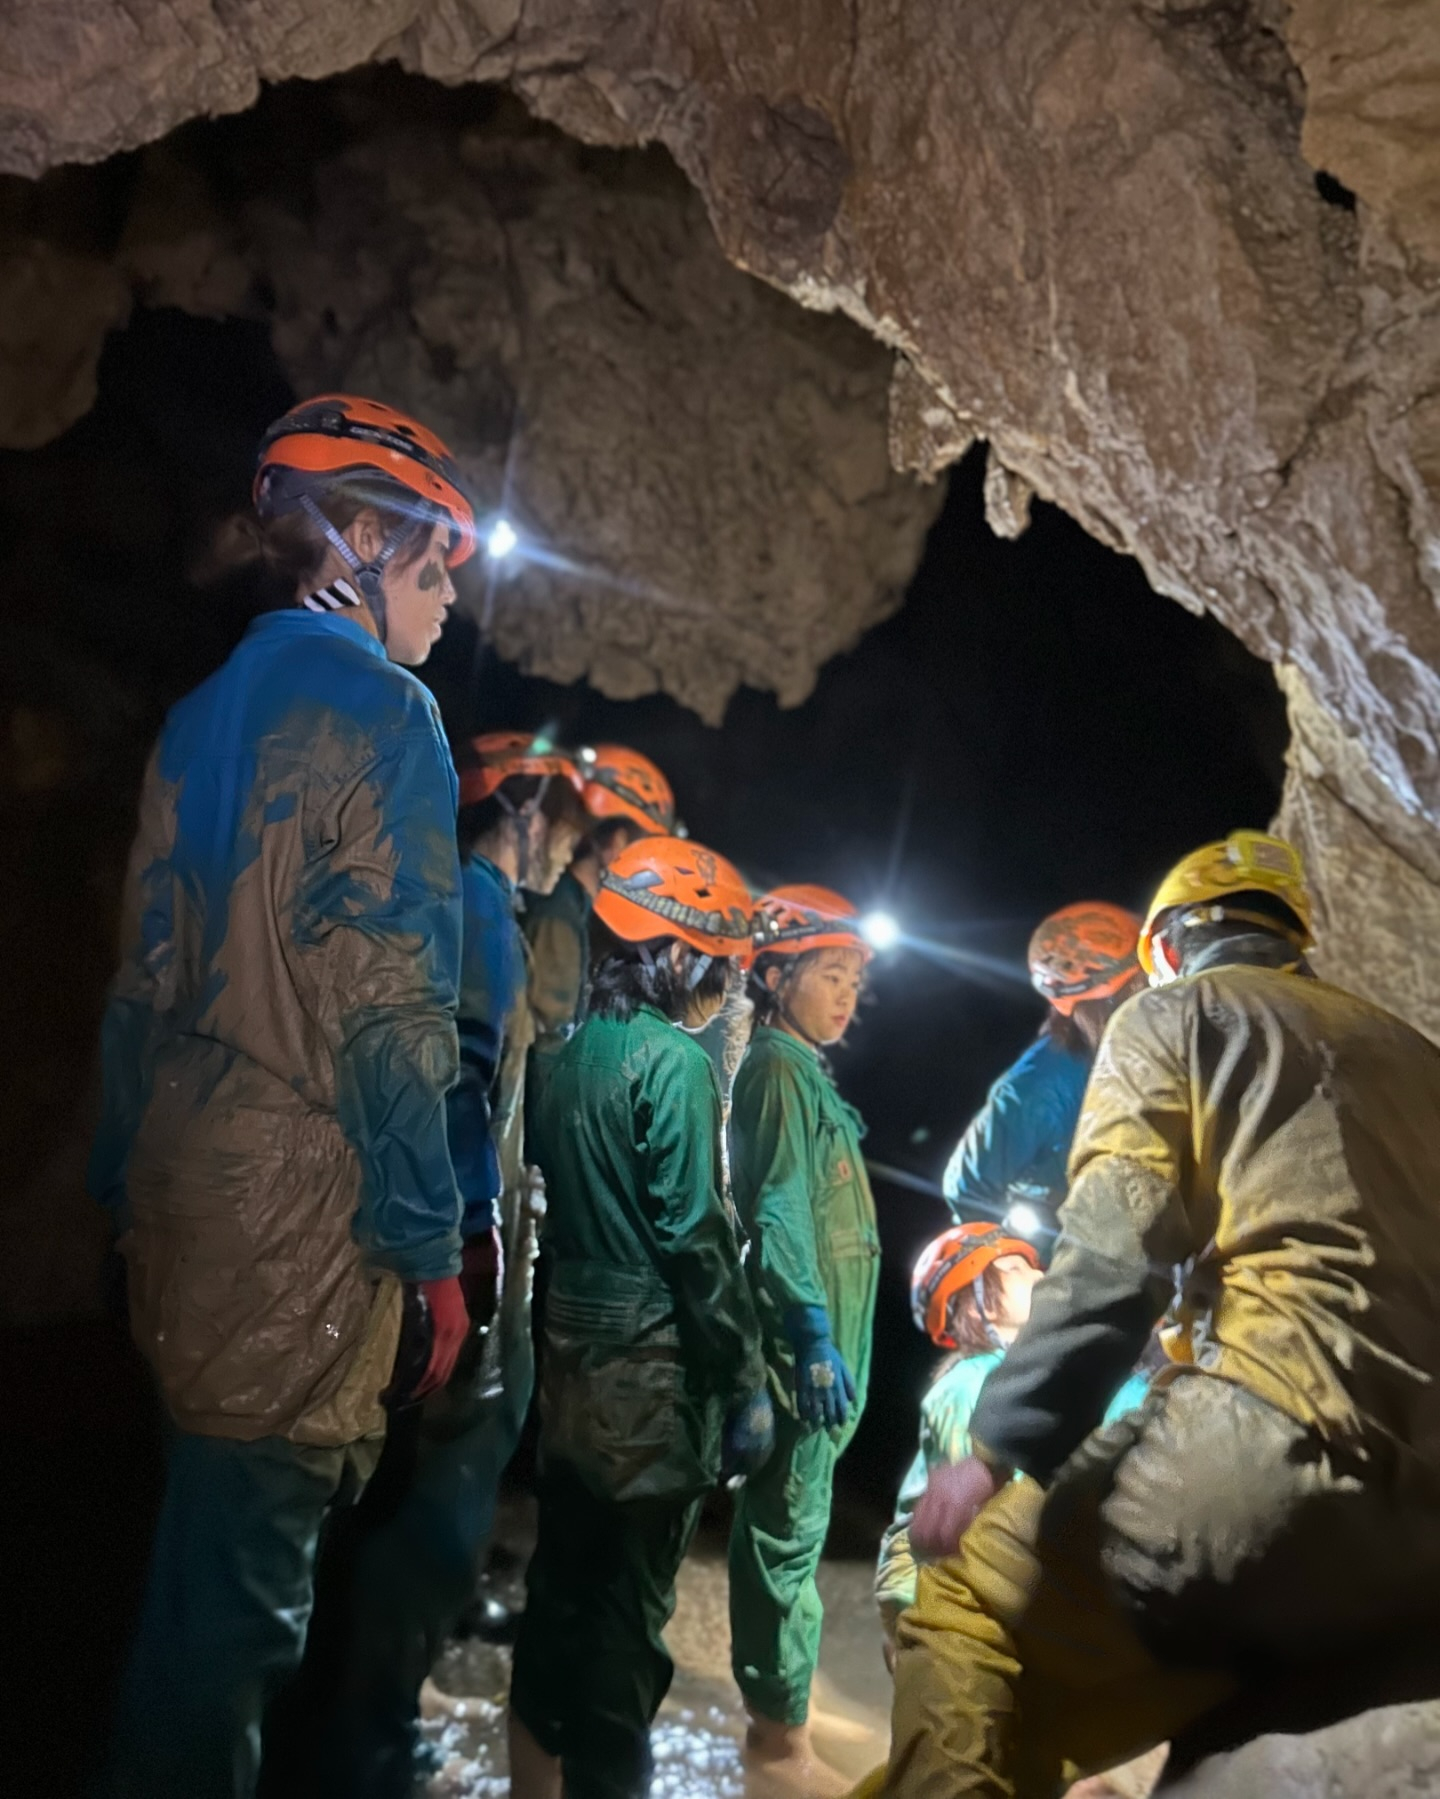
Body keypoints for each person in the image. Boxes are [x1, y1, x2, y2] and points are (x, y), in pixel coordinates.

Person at [870, 831, 1440, 1799]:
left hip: (1270, 1449)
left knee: (964, 1599)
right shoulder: (1417, 1054)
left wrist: (999, 1444)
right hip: (1423, 1515)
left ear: (1168, 946)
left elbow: (1113, 1246)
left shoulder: (1172, 1016)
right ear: (1293, 936)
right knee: (1088, 1683)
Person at [88, 394, 477, 1799]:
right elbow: (391, 1012)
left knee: (192, 1593)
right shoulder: (387, 711)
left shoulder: (200, 714)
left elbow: (140, 982)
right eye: (436, 562)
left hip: (184, 1200)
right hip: (297, 1222)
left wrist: (121, 1192)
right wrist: (432, 1251)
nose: (445, 598)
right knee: (236, 1626)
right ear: (364, 540)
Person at [282, 732, 587, 1797]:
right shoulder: (477, 909)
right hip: (455, 1251)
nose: (568, 849)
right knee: (436, 1503)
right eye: (567, 822)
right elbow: (459, 1075)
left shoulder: (455, 902)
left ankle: (351, 1725)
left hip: (435, 1235)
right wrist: (468, 1237)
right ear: (527, 808)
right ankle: (359, 1743)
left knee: (404, 1497)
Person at [508, 835, 772, 1799]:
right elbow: (694, 1236)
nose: (728, 981)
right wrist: (742, 1378)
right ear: (672, 953)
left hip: (570, 1355)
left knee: (560, 1590)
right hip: (652, 1381)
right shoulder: (676, 1065)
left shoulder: (570, 1055)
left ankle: (531, 1782)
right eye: (720, 961)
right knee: (627, 1620)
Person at [728, 885, 882, 1796]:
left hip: (827, 1352)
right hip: (805, 1356)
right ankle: (778, 1746)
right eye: (831, 973)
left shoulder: (802, 1070)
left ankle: (781, 1720)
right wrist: (812, 1332)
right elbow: (779, 1208)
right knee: (784, 1538)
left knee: (799, 1529)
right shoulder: (781, 1071)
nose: (847, 995)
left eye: (856, 979)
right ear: (776, 974)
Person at [876, 1222, 1149, 1651]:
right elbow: (972, 1520)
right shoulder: (968, 1386)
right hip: (944, 1598)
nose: (1040, 1275)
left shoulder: (1054, 1380)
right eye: (1016, 1268)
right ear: (975, 1303)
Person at [942, 903, 1143, 1232]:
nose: (1147, 1002)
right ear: (1086, 1006)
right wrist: (1011, 1264)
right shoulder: (1039, 1087)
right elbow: (968, 1188)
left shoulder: (1144, 1054)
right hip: (1064, 1264)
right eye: (1130, 992)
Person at [523, 742, 678, 1048]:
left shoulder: (576, 911)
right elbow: (547, 1043)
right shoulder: (560, 915)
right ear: (618, 843)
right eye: (647, 849)